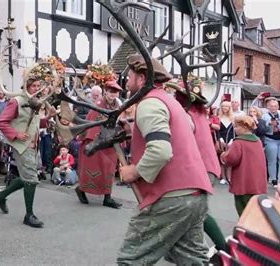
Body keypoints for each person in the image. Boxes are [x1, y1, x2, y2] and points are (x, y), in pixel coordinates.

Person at [116, 54, 213, 265]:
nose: (127, 79)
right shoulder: (168, 100)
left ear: (142, 78)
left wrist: (133, 171)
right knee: (192, 260)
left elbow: (160, 150)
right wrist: (134, 129)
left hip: (171, 198)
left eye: (130, 74)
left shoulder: (149, 103)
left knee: (131, 260)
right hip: (195, 194)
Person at [172, 78, 229, 254]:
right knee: (193, 211)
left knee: (196, 213)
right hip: (207, 168)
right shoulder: (199, 114)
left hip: (200, 171)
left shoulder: (186, 116)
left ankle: (210, 251)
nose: (175, 96)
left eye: (179, 94)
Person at [0, 77, 57, 228]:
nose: (36, 88)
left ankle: (1, 195)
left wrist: (48, 117)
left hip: (32, 145)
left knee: (26, 177)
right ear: (26, 87)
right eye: (33, 85)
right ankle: (29, 215)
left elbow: (36, 123)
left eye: (38, 86)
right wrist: (16, 134)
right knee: (31, 179)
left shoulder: (34, 101)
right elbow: (1, 121)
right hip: (22, 145)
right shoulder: (16, 101)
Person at [75, 80, 123, 209]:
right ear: (105, 91)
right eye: (111, 91)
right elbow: (91, 123)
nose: (113, 94)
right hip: (96, 142)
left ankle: (107, 197)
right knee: (92, 170)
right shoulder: (98, 105)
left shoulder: (117, 106)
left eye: (116, 92)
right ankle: (81, 189)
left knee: (109, 170)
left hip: (111, 142)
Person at [220, 116, 268, 216]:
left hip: (243, 182)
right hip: (257, 182)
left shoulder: (238, 142)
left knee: (242, 209)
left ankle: (244, 229)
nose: (235, 129)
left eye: (237, 126)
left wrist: (223, 155)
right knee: (255, 209)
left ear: (244, 127)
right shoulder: (258, 141)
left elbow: (231, 159)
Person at [262, 98, 280, 186]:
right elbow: (262, 128)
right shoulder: (264, 115)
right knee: (272, 160)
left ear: (278, 106)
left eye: (275, 106)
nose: (273, 108)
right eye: (271, 106)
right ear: (268, 107)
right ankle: (273, 180)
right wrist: (269, 124)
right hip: (270, 139)